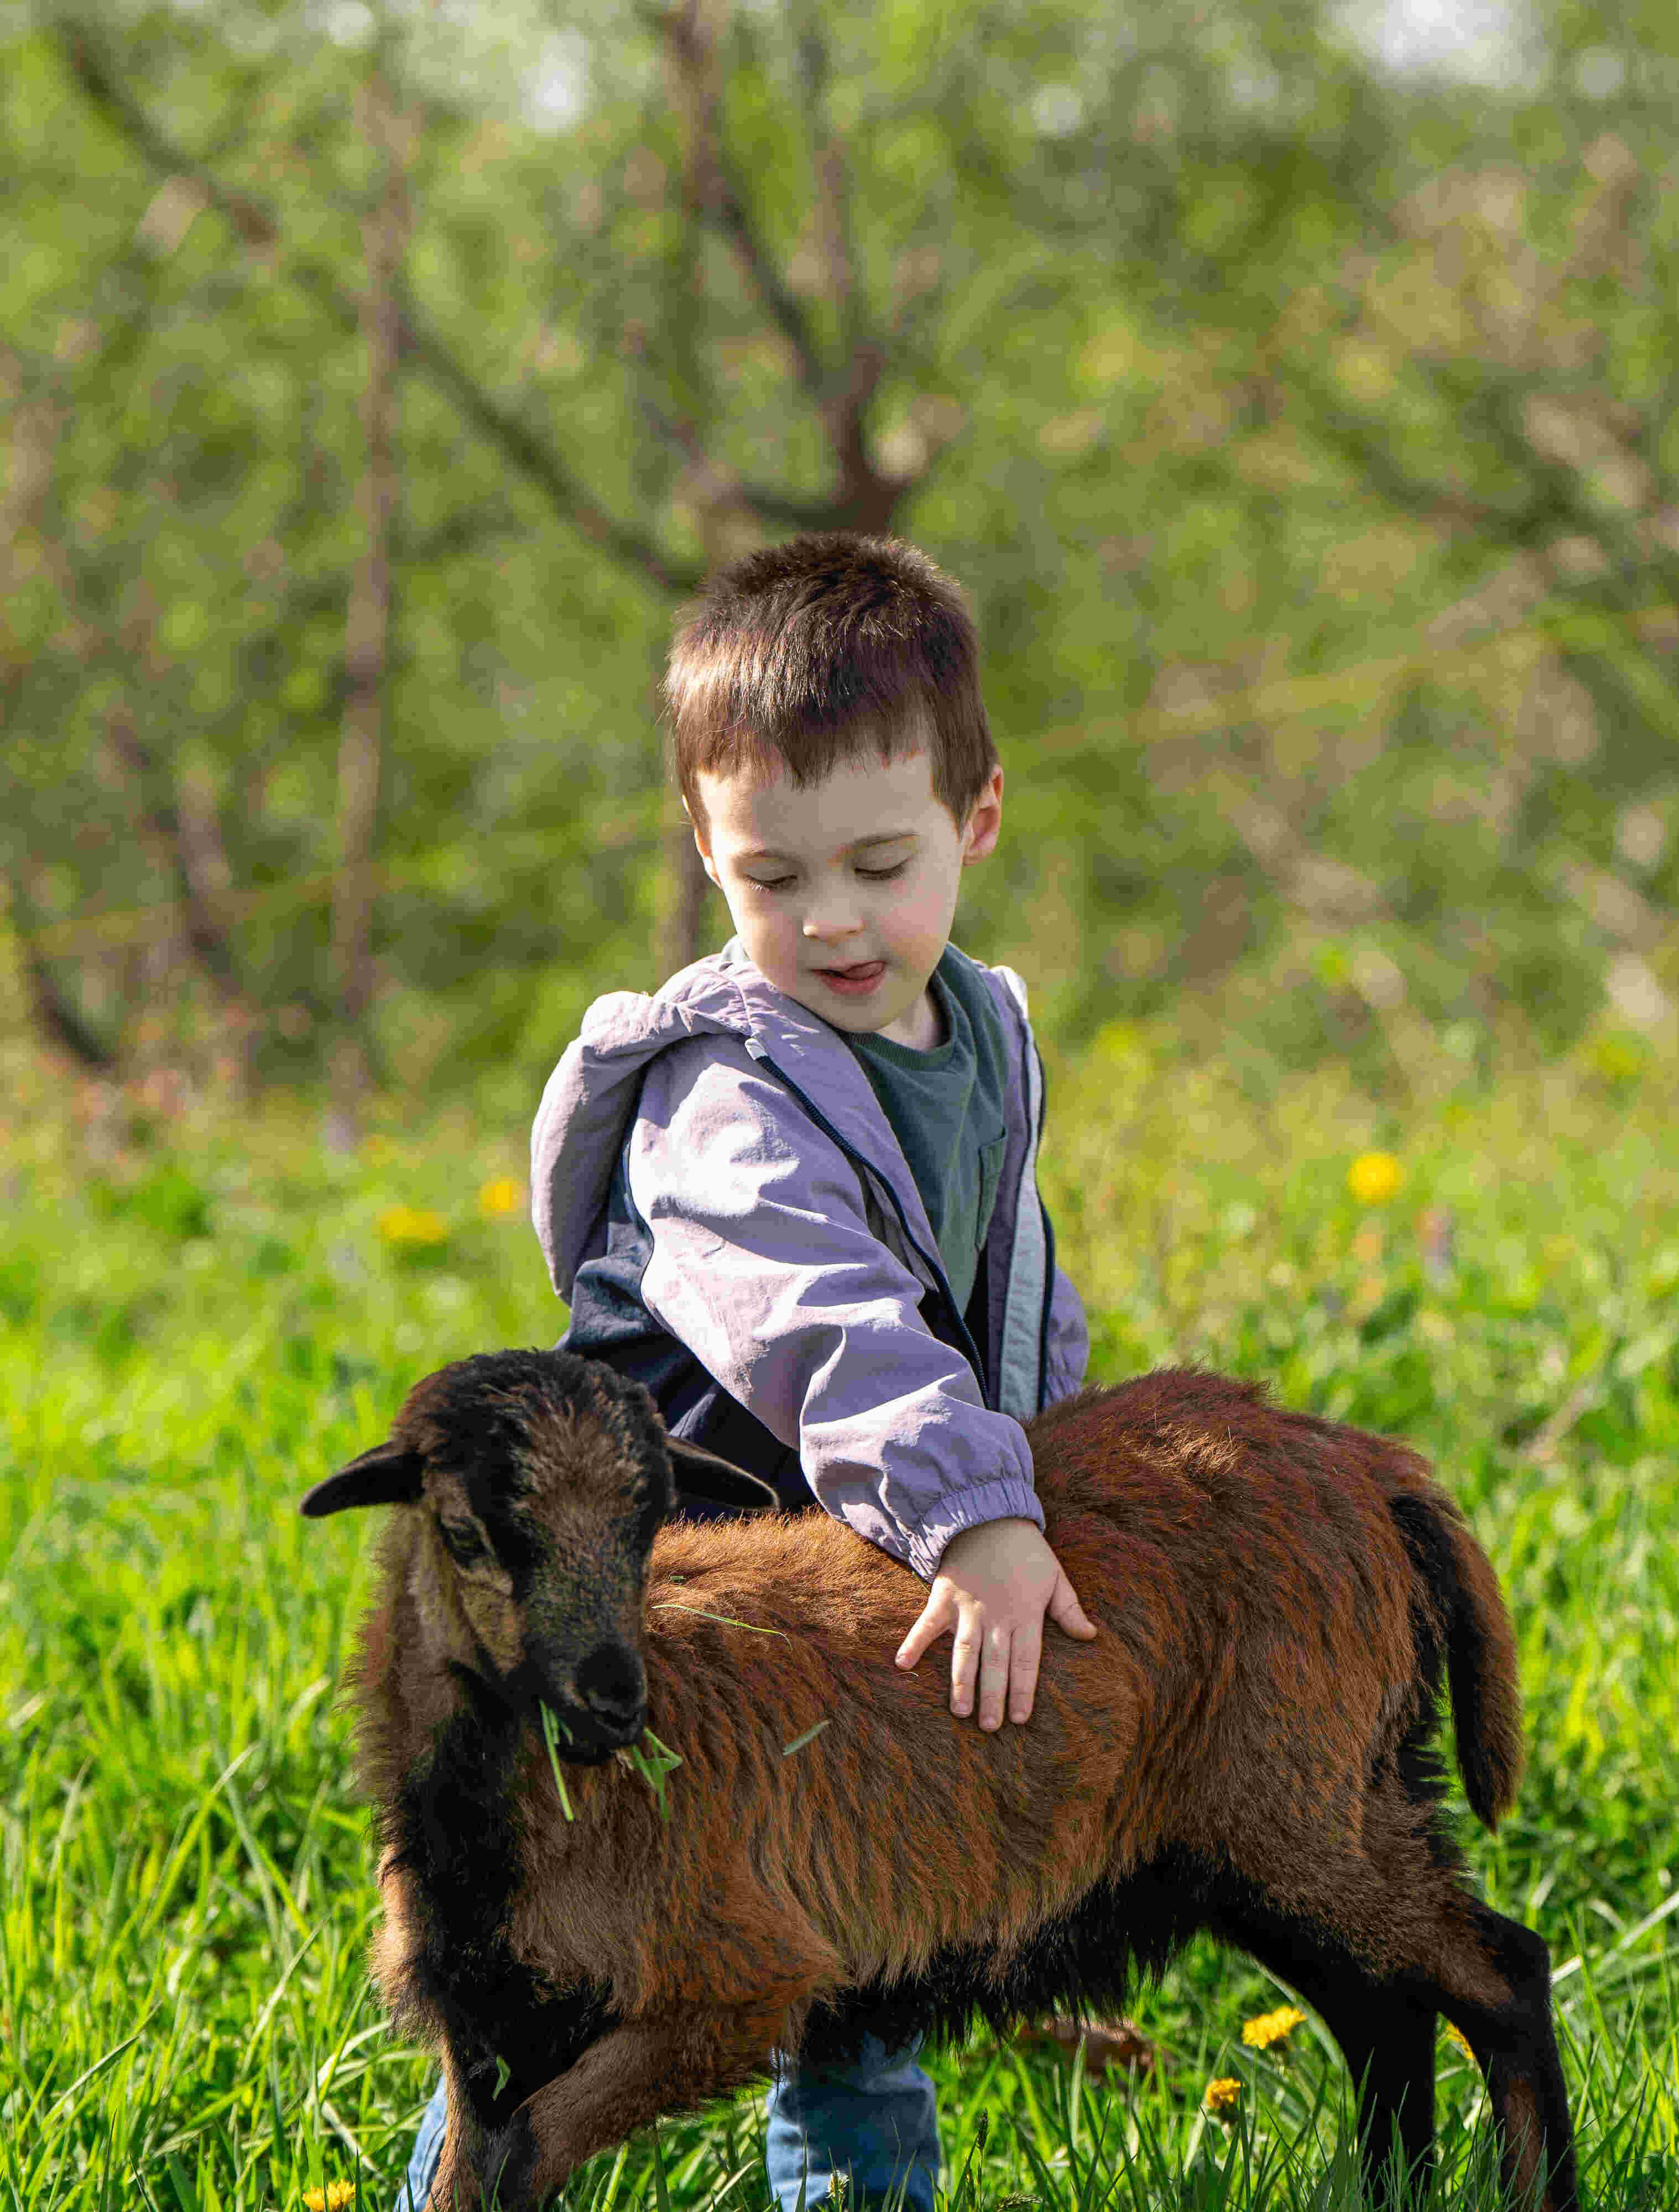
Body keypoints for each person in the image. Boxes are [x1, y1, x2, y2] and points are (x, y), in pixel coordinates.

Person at [395, 533, 1096, 2211]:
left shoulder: (983, 1035)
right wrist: (975, 1509)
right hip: (655, 1594)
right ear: (705, 847)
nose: (832, 921)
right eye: (773, 878)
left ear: (978, 817)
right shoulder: (726, 1098)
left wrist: (1048, 1455)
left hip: (833, 1586)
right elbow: (826, 1324)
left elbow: (1006, 1276)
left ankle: (857, 2193)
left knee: (856, 1925)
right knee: (565, 1970)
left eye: (879, 864)